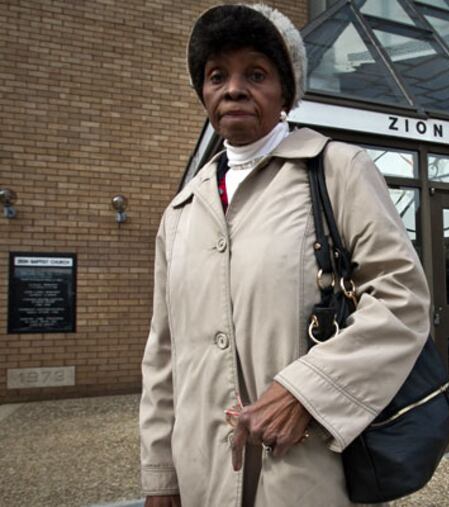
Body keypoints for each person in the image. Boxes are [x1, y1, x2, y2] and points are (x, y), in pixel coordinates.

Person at [139, 4, 430, 506]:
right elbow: (163, 355)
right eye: (216, 75)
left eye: (256, 73)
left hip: (306, 469)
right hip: (201, 476)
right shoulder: (180, 213)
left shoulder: (338, 170)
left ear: (286, 91)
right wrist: (160, 478)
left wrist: (307, 391)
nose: (233, 89)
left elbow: (402, 300)